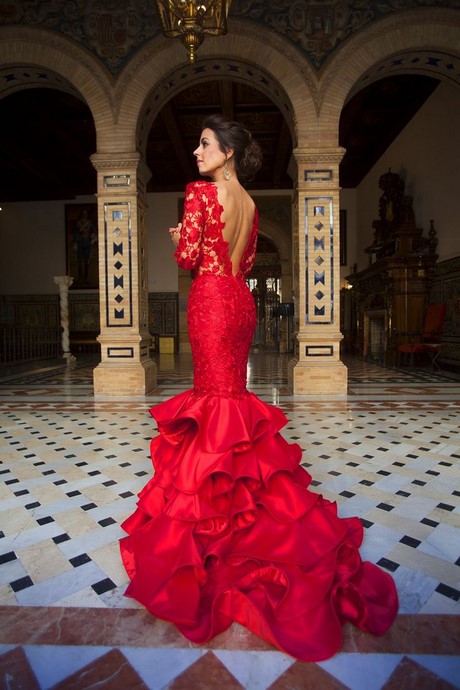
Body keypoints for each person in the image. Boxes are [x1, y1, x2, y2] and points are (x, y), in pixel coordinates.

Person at [119, 114, 398, 662]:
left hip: (210, 302)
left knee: (212, 405)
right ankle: (243, 509)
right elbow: (240, 261)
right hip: (240, 303)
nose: (197, 152)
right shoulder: (250, 205)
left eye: (204, 144)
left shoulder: (201, 194)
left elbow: (190, 259)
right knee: (231, 403)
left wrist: (181, 235)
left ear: (226, 151)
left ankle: (218, 525)